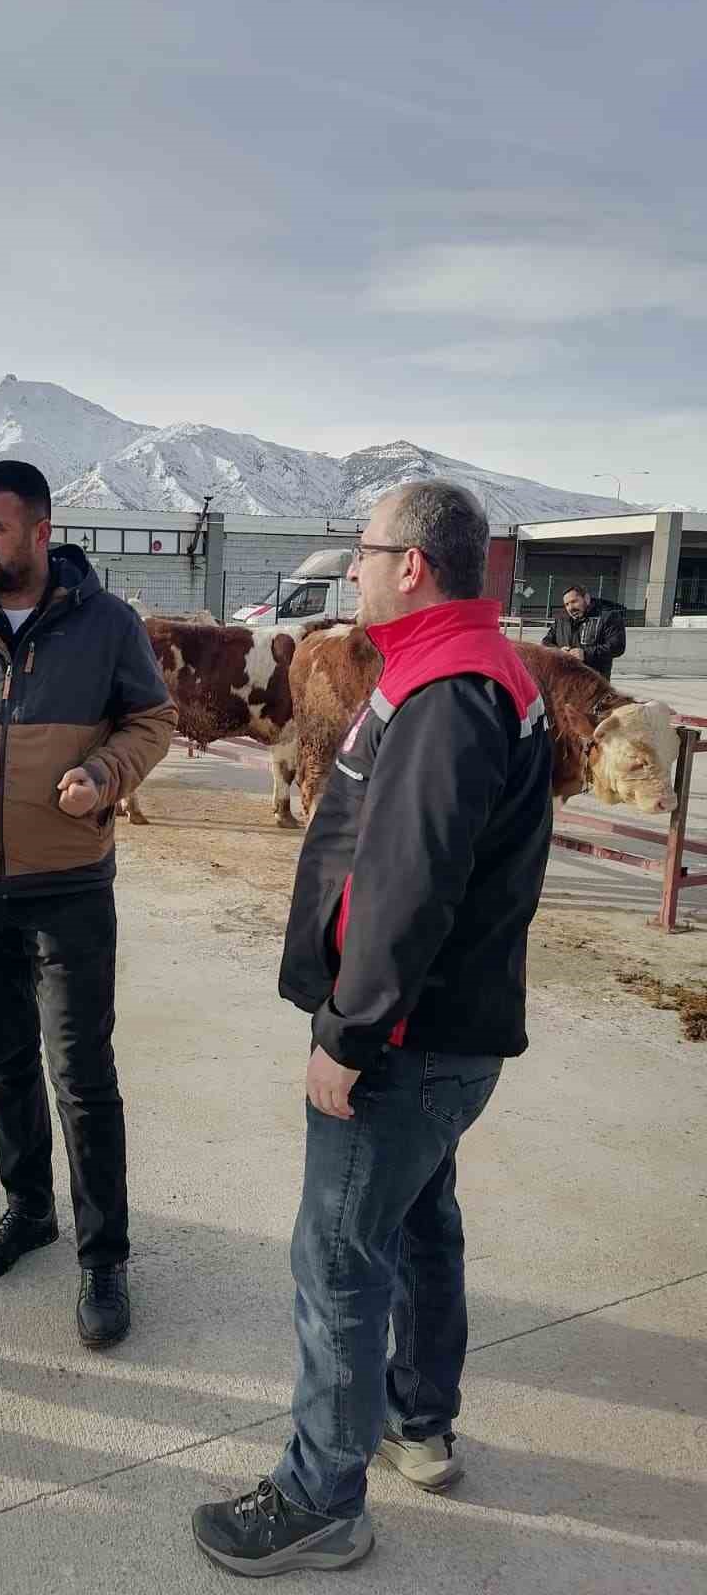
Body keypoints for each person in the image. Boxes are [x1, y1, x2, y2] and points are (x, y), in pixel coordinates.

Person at [192, 482, 553, 1577]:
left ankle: (320, 1496)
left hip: (405, 1041)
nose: (352, 571)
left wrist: (348, 1036)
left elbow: (405, 889)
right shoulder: (461, 666)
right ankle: (416, 1416)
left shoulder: (449, 691)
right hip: (444, 1031)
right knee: (417, 1220)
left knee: (340, 1254)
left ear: (415, 567)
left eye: (364, 552)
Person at [0, 459, 175, 1348]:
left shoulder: (107, 625)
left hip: (67, 889)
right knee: (4, 1061)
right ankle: (27, 1210)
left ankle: (104, 1256)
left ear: (41, 533)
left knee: (82, 1077)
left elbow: (151, 722)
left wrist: (104, 772)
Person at [541, 583, 626, 680]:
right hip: (563, 682)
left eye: (574, 601)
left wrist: (586, 654)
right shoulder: (561, 619)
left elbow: (617, 646)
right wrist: (558, 652)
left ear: (586, 598)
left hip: (594, 683)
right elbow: (546, 642)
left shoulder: (608, 616)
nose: (570, 608)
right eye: (567, 604)